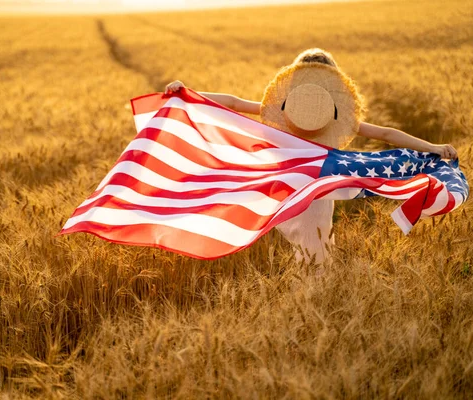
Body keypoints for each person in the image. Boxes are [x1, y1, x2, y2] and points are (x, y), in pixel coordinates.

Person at [163, 48, 458, 263]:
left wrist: (431, 148)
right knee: (315, 254)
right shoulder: (284, 110)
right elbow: (233, 102)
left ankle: (310, 303)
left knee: (315, 253)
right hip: (293, 190)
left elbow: (387, 133)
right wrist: (187, 93)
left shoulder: (329, 117)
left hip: (311, 192)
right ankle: (311, 303)